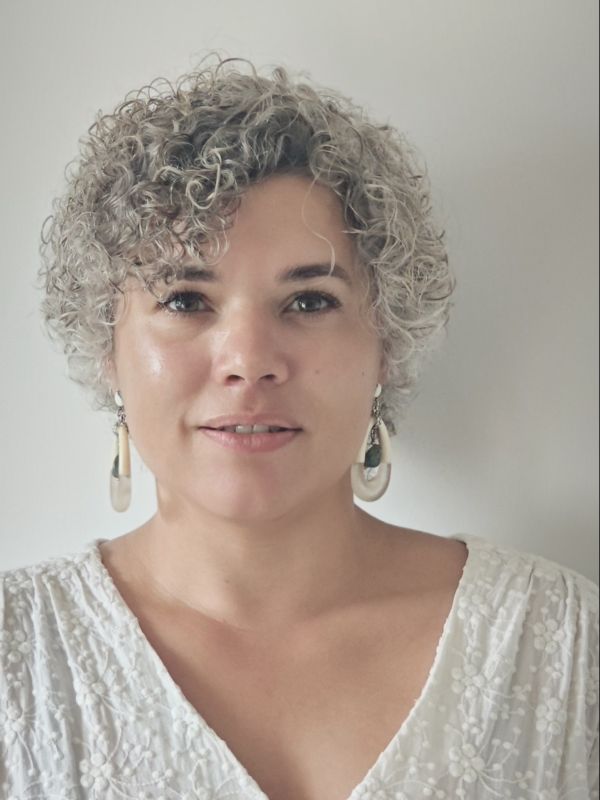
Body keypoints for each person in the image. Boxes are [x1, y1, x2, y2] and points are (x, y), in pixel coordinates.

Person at [0, 54, 597, 800]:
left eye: (310, 301)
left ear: (386, 343)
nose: (249, 362)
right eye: (186, 300)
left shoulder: (560, 643)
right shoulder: (17, 659)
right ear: (106, 348)